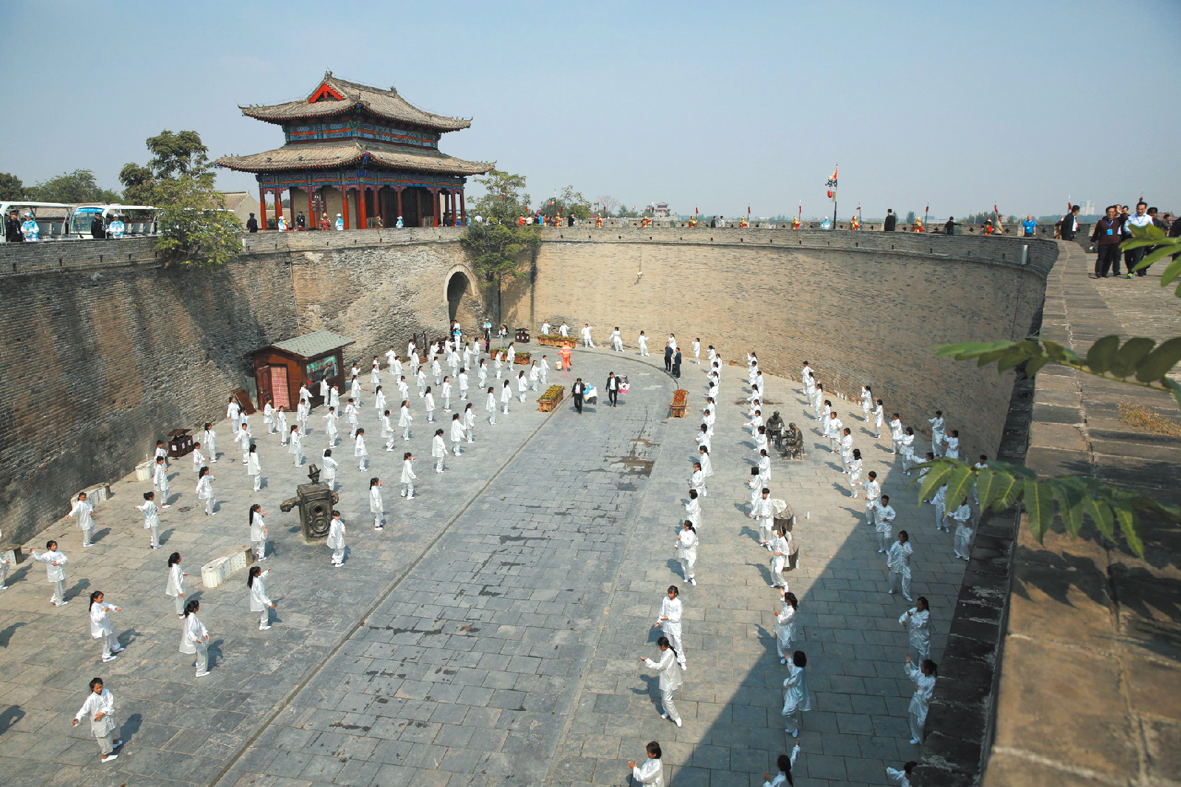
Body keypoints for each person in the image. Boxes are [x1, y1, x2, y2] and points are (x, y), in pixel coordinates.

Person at [72, 678, 122, 763]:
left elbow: (110, 702)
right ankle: (105, 756)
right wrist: (77, 718)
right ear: (93, 689)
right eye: (97, 688)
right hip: (99, 722)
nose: (99, 689)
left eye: (100, 687)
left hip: (108, 716)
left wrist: (103, 712)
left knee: (114, 729)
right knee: (104, 738)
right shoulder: (91, 699)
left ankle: (115, 743)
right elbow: (84, 710)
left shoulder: (106, 692)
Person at [641, 636, 684, 727]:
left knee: (667, 699)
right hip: (665, 678)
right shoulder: (666, 651)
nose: (659, 648)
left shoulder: (669, 654)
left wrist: (648, 660)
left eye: (660, 646)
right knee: (663, 696)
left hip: (669, 679)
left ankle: (677, 717)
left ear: (663, 646)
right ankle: (666, 711)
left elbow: (660, 666)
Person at [905, 656, 937, 744]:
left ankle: (921, 737)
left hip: (923, 704)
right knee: (914, 718)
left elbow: (928, 696)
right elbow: (911, 674)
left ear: (927, 670)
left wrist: (919, 691)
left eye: (922, 666)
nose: (920, 667)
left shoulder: (932, 681)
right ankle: (916, 736)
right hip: (916, 701)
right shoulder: (920, 673)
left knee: (921, 723)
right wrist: (908, 663)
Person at [653, 585, 687, 669]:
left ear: (675, 594)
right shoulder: (665, 600)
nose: (669, 595)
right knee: (669, 644)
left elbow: (678, 616)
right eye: (668, 593)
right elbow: (662, 611)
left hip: (675, 627)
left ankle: (681, 660)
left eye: (671, 593)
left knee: (678, 643)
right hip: (667, 626)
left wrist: (668, 618)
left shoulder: (678, 603)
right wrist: (659, 621)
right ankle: (671, 659)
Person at [781, 650, 811, 737]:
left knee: (785, 712)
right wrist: (789, 659)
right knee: (790, 710)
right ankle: (793, 723)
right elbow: (793, 667)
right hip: (792, 692)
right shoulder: (799, 668)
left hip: (795, 696)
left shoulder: (799, 672)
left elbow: (791, 681)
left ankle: (793, 728)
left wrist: (785, 682)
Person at [88, 591, 124, 663]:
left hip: (106, 624)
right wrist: (104, 611)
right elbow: (97, 619)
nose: (102, 599)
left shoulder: (100, 603)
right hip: (101, 628)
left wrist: (115, 608)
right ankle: (106, 656)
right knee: (106, 642)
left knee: (112, 634)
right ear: (95, 599)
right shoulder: (94, 607)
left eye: (102, 597)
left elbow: (108, 605)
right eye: (101, 598)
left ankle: (116, 647)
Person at [31, 540, 69, 606]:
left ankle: (54, 598)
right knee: (58, 588)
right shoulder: (47, 555)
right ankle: (59, 602)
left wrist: (57, 562)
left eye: (55, 545)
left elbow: (65, 558)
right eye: (53, 545)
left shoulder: (59, 552)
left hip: (60, 571)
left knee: (63, 585)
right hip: (54, 573)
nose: (55, 546)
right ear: (49, 548)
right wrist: (34, 552)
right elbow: (39, 558)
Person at [180, 598, 211, 677]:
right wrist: (195, 639)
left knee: (200, 653)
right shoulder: (192, 618)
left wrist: (204, 632)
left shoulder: (191, 615)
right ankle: (200, 672)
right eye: (198, 606)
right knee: (203, 655)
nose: (199, 608)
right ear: (195, 608)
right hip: (197, 640)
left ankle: (198, 663)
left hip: (197, 638)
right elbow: (190, 631)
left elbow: (200, 624)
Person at [1091, 205, 1124, 278]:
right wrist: (1093, 241)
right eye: (1109, 212)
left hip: (1114, 243)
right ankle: (1098, 272)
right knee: (1101, 258)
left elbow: (1125, 218)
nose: (1110, 213)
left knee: (1109, 259)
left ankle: (1104, 272)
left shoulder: (1117, 221)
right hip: (1103, 243)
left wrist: (1120, 212)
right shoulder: (1101, 222)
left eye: (1112, 212)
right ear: (1106, 213)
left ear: (1114, 213)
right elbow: (1096, 232)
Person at [1125, 201, 1154, 276]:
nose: (1139, 211)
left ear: (1145, 209)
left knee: (1137, 257)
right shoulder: (1131, 217)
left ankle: (1131, 272)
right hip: (1131, 239)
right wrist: (1130, 232)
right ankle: (1130, 269)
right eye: (1138, 209)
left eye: (1141, 209)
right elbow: (1125, 227)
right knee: (1127, 257)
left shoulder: (1148, 218)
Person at [900, 596, 931, 662]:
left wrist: (911, 617)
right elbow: (905, 615)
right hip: (913, 637)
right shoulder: (914, 610)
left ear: (924, 606)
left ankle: (922, 669)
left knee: (923, 655)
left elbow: (920, 624)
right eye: (917, 603)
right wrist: (903, 621)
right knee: (913, 654)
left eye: (919, 604)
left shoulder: (926, 614)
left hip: (921, 639)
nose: (917, 606)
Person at [887, 530, 914, 600]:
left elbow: (910, 552)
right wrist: (889, 564)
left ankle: (906, 594)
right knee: (892, 577)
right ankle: (892, 589)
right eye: (900, 537)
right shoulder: (895, 544)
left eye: (902, 537)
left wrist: (903, 548)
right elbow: (891, 554)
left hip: (905, 565)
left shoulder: (908, 544)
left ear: (905, 538)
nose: (901, 539)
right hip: (895, 563)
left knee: (907, 578)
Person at [247, 565, 276, 630]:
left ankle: (262, 625)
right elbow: (261, 595)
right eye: (260, 571)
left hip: (256, 599)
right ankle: (263, 626)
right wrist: (270, 603)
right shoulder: (258, 583)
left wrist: (266, 572)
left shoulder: (254, 579)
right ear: (256, 573)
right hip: (260, 600)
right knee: (265, 613)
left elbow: (261, 576)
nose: (261, 572)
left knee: (263, 612)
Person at [774, 591, 798, 664]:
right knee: (780, 643)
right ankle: (784, 656)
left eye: (785, 598)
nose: (784, 599)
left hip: (786, 630)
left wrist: (778, 615)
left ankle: (788, 658)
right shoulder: (788, 605)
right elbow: (783, 603)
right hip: (782, 629)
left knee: (785, 644)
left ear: (789, 600)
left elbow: (783, 622)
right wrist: (782, 595)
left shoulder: (791, 612)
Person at [675, 521, 698, 585]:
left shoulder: (692, 534)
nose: (683, 527)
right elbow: (678, 539)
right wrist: (676, 545)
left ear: (687, 527)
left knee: (690, 565)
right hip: (682, 551)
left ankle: (691, 577)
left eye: (685, 526)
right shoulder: (682, 531)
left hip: (690, 552)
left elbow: (688, 544)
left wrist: (681, 539)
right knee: (683, 565)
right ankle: (686, 576)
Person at [165, 552, 187, 616]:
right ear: (177, 560)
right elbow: (176, 581)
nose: (181, 557)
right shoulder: (175, 569)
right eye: (180, 557)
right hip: (178, 588)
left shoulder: (176, 565)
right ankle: (180, 613)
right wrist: (180, 592)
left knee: (179, 600)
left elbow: (179, 573)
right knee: (180, 600)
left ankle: (180, 611)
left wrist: (183, 573)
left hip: (179, 586)